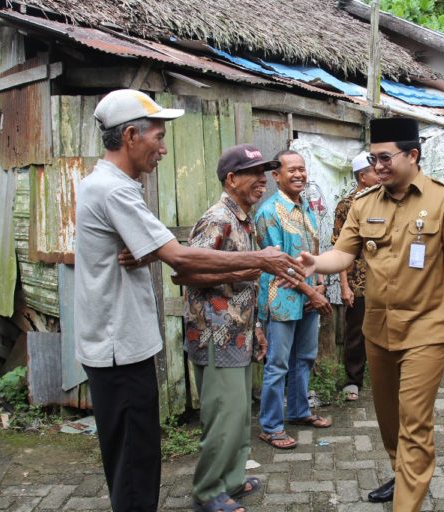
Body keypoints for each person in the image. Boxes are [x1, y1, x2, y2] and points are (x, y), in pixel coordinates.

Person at [74, 89, 303, 512]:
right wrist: (259, 260)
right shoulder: (115, 190)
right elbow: (180, 261)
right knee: (135, 458)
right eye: (158, 138)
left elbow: (152, 249)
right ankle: (207, 491)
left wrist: (143, 250)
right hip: (126, 343)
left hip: (131, 341)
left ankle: (226, 481)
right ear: (130, 136)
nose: (163, 149)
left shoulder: (116, 187)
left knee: (155, 447)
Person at [298, 117, 444, 512]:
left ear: (412, 155)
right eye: (372, 158)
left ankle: (407, 501)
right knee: (388, 419)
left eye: (384, 158)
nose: (377, 166)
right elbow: (344, 254)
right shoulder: (364, 204)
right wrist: (315, 262)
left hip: (427, 329)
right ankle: (403, 472)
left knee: (414, 423)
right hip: (378, 329)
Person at [174, 144, 282, 512]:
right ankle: (206, 493)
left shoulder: (244, 220)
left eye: (264, 172)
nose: (262, 179)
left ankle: (231, 482)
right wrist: (252, 268)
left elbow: (243, 284)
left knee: (237, 416)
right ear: (231, 179)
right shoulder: (218, 218)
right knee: (221, 418)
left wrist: (257, 328)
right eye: (254, 173)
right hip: (214, 334)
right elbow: (186, 273)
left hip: (239, 332)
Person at [255, 149, 333, 450]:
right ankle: (271, 426)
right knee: (277, 365)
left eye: (302, 168)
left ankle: (299, 411)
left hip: (310, 298)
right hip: (282, 299)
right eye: (292, 170)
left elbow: (316, 251)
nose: (299, 174)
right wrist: (311, 290)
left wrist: (321, 285)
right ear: (277, 175)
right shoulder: (268, 212)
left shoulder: (308, 208)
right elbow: (279, 265)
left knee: (305, 358)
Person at [332, 152, 380, 401]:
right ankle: (353, 380)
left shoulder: (386, 200)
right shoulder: (346, 205)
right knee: (356, 333)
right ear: (363, 176)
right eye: (375, 170)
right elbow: (340, 249)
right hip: (359, 282)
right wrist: (344, 286)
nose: (380, 172)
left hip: (386, 281)